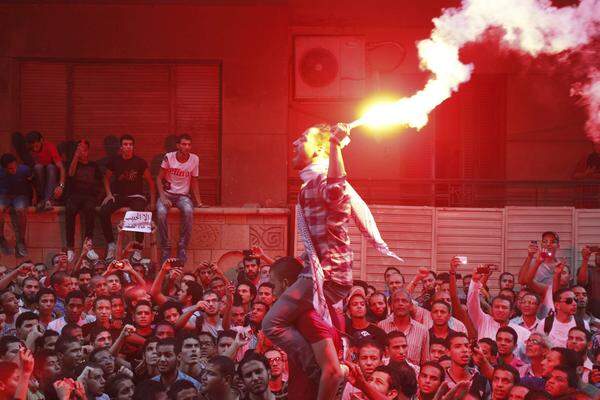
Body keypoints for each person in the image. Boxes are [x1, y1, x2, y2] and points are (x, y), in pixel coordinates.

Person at [99, 134, 155, 260]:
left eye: (130, 144)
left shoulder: (140, 162)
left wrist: (152, 201)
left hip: (136, 196)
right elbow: (106, 178)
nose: (128, 147)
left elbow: (151, 182)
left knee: (139, 212)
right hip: (119, 196)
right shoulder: (115, 161)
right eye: (125, 144)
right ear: (121, 147)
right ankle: (111, 245)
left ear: (133, 147)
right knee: (103, 211)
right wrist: (108, 194)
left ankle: (138, 248)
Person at [155, 134, 202, 263]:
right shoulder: (169, 157)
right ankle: (166, 247)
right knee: (160, 213)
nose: (187, 147)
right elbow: (158, 178)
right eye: (184, 144)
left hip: (183, 196)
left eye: (189, 144)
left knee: (188, 211)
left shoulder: (194, 159)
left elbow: (194, 180)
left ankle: (182, 246)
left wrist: (199, 202)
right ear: (178, 145)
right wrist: (163, 197)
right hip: (167, 194)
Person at [64, 139, 102, 262]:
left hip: (89, 196)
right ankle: (70, 248)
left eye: (84, 149)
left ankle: (89, 246)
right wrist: (76, 156)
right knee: (69, 210)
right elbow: (70, 174)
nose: (81, 151)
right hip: (75, 195)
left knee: (90, 210)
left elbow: (100, 181)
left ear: (88, 151)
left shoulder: (93, 165)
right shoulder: (72, 163)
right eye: (79, 149)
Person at [377, 288, 429, 365]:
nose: (400, 304)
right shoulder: (381, 326)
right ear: (391, 306)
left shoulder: (422, 330)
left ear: (411, 306)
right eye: (396, 301)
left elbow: (425, 362)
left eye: (404, 301)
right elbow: (379, 356)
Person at [0, 153, 33, 257]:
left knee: (21, 210)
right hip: (4, 196)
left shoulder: (24, 169)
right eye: (10, 169)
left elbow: (33, 182)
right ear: (4, 168)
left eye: (15, 167)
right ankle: (1, 238)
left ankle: (21, 241)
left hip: (20, 196)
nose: (14, 170)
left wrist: (35, 196)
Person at [25, 131, 66, 212]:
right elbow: (32, 174)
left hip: (52, 176)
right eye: (32, 145)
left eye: (36, 144)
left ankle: (47, 200)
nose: (34, 147)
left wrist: (61, 186)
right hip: (40, 178)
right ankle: (44, 199)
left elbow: (62, 168)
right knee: (38, 167)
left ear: (41, 140)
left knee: (50, 167)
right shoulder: (30, 151)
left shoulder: (50, 147)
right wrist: (34, 195)